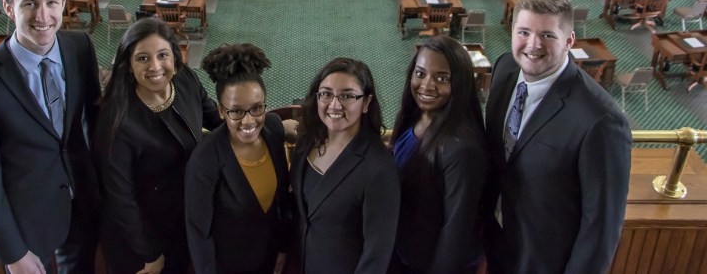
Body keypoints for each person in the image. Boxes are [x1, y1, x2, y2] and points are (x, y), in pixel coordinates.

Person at [0, 0, 101, 274]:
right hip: (27, 223)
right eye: (30, 4)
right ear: (9, 7)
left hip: (83, 204)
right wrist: (12, 253)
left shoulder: (79, 47)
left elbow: (93, 119)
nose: (43, 16)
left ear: (64, 1)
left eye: (52, 2)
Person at [482, 0, 632, 274]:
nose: (533, 45)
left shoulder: (601, 120)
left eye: (547, 35)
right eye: (524, 32)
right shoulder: (504, 69)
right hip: (498, 242)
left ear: (569, 40)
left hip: (547, 260)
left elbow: (601, 227)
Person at [95, 17, 222, 274]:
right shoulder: (116, 120)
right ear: (129, 65)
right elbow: (121, 198)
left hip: (182, 220)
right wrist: (149, 252)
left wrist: (266, 127)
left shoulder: (185, 79)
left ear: (175, 58)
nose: (155, 67)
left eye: (163, 55)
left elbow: (218, 122)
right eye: (142, 58)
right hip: (140, 238)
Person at [185, 43, 291, 274]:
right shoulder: (205, 160)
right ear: (221, 111)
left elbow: (281, 204)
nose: (248, 121)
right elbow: (198, 233)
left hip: (271, 257)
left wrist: (283, 247)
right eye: (236, 111)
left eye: (256, 108)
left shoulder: (273, 130)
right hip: (230, 265)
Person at [290, 57, 400, 274]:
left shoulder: (379, 168)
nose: (334, 105)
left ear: (366, 103)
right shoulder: (305, 144)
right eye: (326, 94)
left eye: (347, 96)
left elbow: (376, 253)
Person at [389, 36, 488, 274]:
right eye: (420, 73)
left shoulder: (461, 148)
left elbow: (457, 230)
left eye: (442, 78)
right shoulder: (416, 116)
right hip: (404, 250)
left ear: (461, 83)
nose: (427, 85)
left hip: (430, 264)